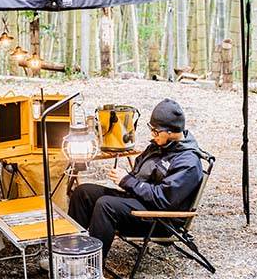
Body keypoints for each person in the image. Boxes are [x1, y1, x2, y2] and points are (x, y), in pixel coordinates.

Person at [67, 98, 204, 262]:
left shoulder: (187, 162)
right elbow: (139, 172)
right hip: (140, 200)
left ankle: (90, 266)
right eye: (151, 129)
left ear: (170, 131)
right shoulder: (160, 145)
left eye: (155, 131)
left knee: (106, 205)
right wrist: (124, 176)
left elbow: (164, 200)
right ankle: (70, 253)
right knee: (83, 192)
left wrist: (128, 181)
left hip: (158, 218)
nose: (152, 134)